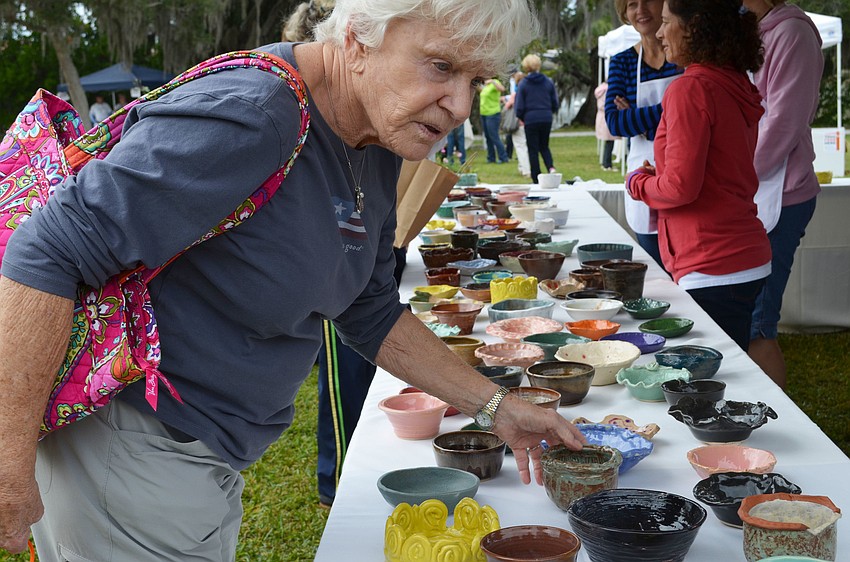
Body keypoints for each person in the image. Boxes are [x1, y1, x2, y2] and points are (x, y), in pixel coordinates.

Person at [0, 1, 586, 559]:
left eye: (476, 78)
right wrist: (8, 454)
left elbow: (369, 309)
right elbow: (47, 252)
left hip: (200, 453)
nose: (461, 103)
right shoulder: (257, 115)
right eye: (441, 65)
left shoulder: (376, 136)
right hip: (131, 448)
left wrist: (495, 405)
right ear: (358, 37)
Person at [627, 0, 771, 352]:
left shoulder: (690, 88)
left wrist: (639, 183)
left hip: (712, 261)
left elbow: (680, 187)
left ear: (693, 28)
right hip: (741, 254)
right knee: (732, 367)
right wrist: (663, 172)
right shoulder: (733, 81)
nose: (659, 33)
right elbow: (715, 166)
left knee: (708, 382)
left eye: (665, 22)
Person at [743, 0, 824, 390]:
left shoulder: (793, 33)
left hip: (782, 193)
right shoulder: (755, 30)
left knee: (759, 323)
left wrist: (733, 174)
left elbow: (783, 123)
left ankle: (773, 419)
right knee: (746, 319)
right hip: (751, 191)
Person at [605, 0, 683, 268]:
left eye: (648, 0)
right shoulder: (621, 62)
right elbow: (615, 123)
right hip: (644, 177)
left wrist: (639, 117)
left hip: (683, 172)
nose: (640, 10)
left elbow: (699, 108)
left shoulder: (684, 57)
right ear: (624, 13)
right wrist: (671, 110)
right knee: (658, 269)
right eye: (631, 4)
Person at [514, 53, 558, 183]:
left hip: (531, 118)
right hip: (546, 116)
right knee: (544, 145)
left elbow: (519, 105)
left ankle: (536, 176)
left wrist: (521, 116)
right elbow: (554, 101)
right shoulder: (548, 82)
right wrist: (550, 112)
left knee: (532, 148)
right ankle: (550, 167)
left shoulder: (524, 84)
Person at [504, 71, 531, 178]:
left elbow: (507, 106)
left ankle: (526, 170)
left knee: (520, 147)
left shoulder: (516, 94)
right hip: (529, 122)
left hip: (518, 124)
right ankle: (522, 167)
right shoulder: (530, 93)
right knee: (527, 146)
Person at [478, 77, 510, 164]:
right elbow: (481, 92)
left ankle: (503, 157)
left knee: (494, 136)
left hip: (493, 114)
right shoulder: (485, 86)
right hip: (484, 114)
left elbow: (502, 89)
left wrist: (492, 82)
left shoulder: (495, 82)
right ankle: (491, 158)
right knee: (488, 137)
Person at [594, 81, 617, 171]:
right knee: (609, 142)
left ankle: (606, 162)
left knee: (608, 142)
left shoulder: (600, 90)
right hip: (606, 117)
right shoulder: (607, 90)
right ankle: (607, 164)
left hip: (601, 117)